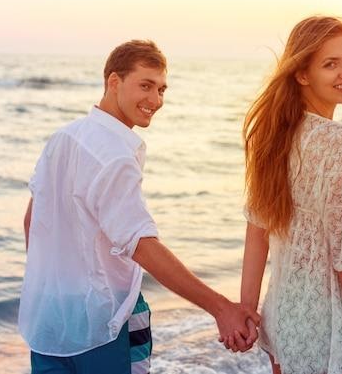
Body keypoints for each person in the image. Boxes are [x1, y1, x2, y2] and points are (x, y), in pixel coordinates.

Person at [19, 40, 259, 374]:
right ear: (113, 82)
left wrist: (54, 286)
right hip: (109, 321)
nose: (156, 100)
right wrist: (221, 308)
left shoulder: (63, 137)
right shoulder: (114, 155)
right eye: (145, 86)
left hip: (51, 321)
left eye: (161, 89)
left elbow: (33, 220)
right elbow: (141, 245)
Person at [237, 16, 342, 374]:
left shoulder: (272, 136)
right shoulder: (340, 142)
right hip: (325, 325)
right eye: (330, 63)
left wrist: (248, 309)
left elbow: (256, 230)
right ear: (302, 74)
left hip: (282, 316)